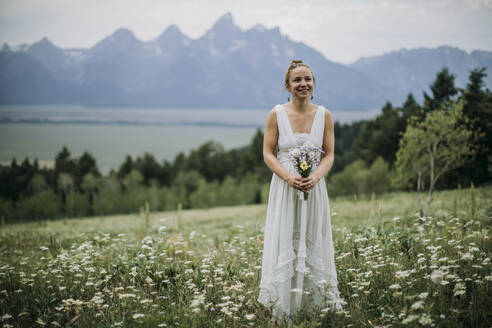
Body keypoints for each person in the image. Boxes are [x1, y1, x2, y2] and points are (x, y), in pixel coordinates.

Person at [257, 59, 342, 324]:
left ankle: (313, 308)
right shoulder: (277, 114)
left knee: (311, 239)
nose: (303, 84)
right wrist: (288, 177)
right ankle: (284, 308)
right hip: (285, 189)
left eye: (307, 79)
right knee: (286, 240)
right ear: (287, 85)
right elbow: (268, 153)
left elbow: (328, 154)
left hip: (314, 190)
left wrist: (315, 176)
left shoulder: (324, 115)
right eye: (297, 80)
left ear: (313, 84)